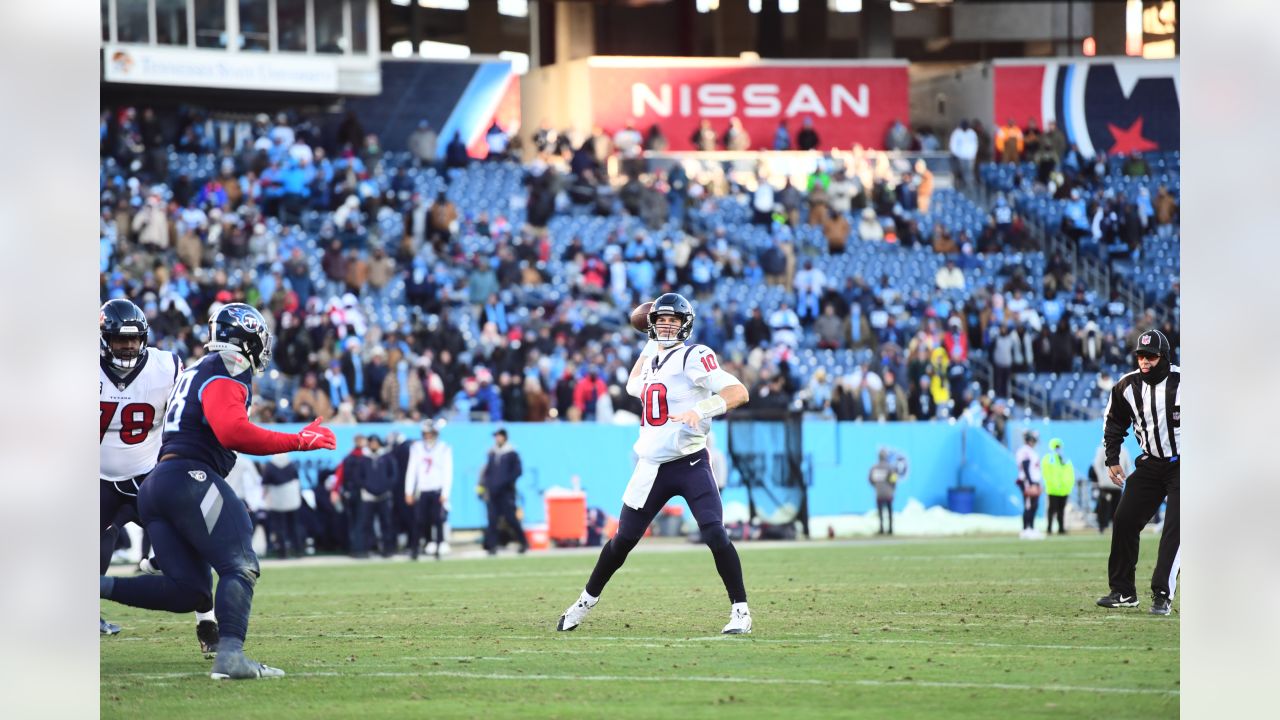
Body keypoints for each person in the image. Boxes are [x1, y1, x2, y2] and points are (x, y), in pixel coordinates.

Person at [99, 303, 336, 679]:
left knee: (188, 592)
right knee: (239, 562)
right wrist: (299, 440)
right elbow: (232, 431)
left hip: (158, 483)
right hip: (187, 477)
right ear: (247, 338)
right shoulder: (230, 366)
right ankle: (231, 656)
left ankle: (94, 586)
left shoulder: (196, 368)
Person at [556, 292, 753, 634]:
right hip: (650, 466)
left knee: (714, 533)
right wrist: (649, 346)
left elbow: (738, 392)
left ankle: (741, 612)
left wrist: (700, 409)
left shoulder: (695, 355)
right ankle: (584, 603)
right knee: (622, 541)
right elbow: (634, 385)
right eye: (659, 319)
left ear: (685, 325)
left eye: (672, 320)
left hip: (689, 462)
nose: (665, 325)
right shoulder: (651, 361)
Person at [98, 299, 218, 649]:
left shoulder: (166, 367)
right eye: (120, 339)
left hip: (149, 478)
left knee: (189, 545)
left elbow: (189, 412)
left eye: (134, 339)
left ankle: (206, 621)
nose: (128, 346)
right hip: (99, 480)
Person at [1096, 330, 1181, 616]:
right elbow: (1113, 422)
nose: (1145, 361)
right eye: (1141, 356)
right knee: (1124, 518)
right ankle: (1123, 591)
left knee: (1175, 528)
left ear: (1165, 357)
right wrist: (1112, 458)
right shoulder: (1126, 387)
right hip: (1151, 463)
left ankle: (1162, 593)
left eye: (1151, 356)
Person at [406, 420, 453, 560]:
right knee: (418, 520)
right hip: (422, 489)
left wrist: (445, 492)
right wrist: (408, 491)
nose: (428, 436)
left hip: (437, 488)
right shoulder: (417, 447)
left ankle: (439, 548)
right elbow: (412, 470)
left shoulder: (444, 448)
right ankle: (414, 549)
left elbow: (448, 471)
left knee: (438, 520)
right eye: (425, 433)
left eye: (430, 433)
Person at [481, 428, 528, 554]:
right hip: (493, 492)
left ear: (505, 437)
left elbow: (518, 471)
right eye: (496, 436)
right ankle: (492, 546)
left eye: (499, 436)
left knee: (511, 518)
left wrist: (506, 482)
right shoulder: (492, 453)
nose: (497, 439)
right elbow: (488, 472)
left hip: (506, 492)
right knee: (492, 520)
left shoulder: (511, 453)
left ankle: (523, 542)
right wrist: (486, 485)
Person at [261, 454, 305, 559]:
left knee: (279, 528)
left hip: (277, 500)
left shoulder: (270, 466)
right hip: (292, 499)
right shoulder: (291, 465)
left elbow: (265, 484)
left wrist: (263, 497)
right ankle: (299, 550)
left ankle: (283, 553)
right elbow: (297, 481)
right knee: (294, 526)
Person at [1090, 440, 1131, 533]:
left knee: (1117, 508)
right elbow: (1097, 464)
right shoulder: (1102, 450)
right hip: (1106, 484)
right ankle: (1102, 526)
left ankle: (1115, 527)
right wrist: (1102, 479)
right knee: (1103, 506)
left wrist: (1127, 480)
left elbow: (1128, 466)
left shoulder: (1123, 451)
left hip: (1118, 485)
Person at [1041, 438, 1075, 535]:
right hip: (1053, 489)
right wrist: (1050, 483)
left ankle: (1061, 528)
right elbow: (1046, 473)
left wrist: (1069, 485)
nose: (1058, 448)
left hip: (1064, 489)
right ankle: (1049, 528)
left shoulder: (1064, 459)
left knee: (1061, 510)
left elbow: (1070, 473)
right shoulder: (1049, 458)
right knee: (1052, 509)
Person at [1015, 430, 1043, 539]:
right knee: (1028, 505)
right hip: (1027, 480)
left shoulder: (1031, 451)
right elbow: (1025, 466)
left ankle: (1031, 527)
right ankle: (1026, 529)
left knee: (1034, 505)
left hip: (1033, 480)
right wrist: (1031, 483)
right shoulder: (1025, 451)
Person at [868, 449, 897, 535]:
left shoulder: (874, 468)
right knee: (889, 511)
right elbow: (894, 479)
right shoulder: (890, 467)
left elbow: (870, 479)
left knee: (880, 512)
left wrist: (877, 486)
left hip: (879, 493)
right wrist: (892, 488)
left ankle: (881, 528)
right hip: (888, 493)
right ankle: (890, 529)